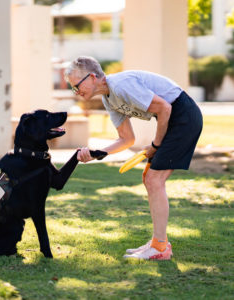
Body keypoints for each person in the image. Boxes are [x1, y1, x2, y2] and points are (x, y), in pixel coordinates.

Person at [64, 56, 203, 260]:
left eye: (77, 85)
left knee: (155, 180)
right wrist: (96, 154)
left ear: (92, 77)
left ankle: (160, 248)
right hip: (173, 119)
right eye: (73, 88)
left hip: (184, 117)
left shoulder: (120, 85)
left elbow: (165, 107)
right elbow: (127, 139)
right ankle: (158, 242)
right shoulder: (109, 99)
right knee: (150, 179)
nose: (76, 92)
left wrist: (156, 144)